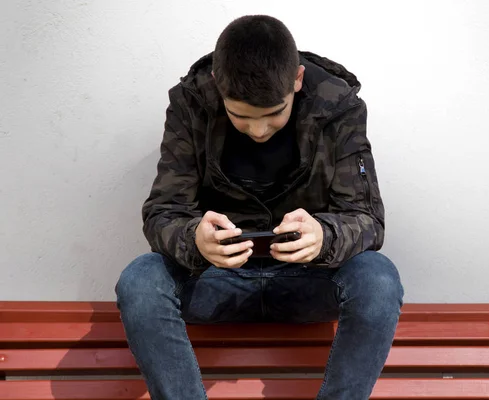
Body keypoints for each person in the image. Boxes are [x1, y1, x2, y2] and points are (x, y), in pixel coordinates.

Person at [115, 14, 404, 400]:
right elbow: (163, 212)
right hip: (214, 280)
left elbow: (368, 219)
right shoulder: (191, 104)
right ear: (219, 86)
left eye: (273, 114)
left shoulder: (337, 107)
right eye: (240, 116)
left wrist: (325, 235)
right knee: (140, 279)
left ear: (297, 80)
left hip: (309, 280)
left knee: (378, 277)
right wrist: (194, 239)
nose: (258, 130)